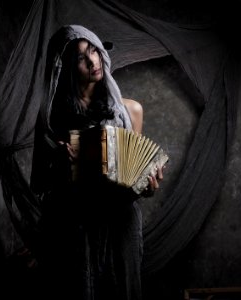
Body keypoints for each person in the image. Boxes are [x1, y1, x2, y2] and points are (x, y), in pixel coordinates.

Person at [30, 25, 164, 300]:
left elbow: (132, 176)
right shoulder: (52, 121)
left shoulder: (131, 110)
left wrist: (147, 186)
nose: (93, 61)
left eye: (94, 50)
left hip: (120, 224)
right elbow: (42, 184)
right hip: (74, 226)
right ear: (65, 67)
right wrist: (62, 168)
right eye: (81, 58)